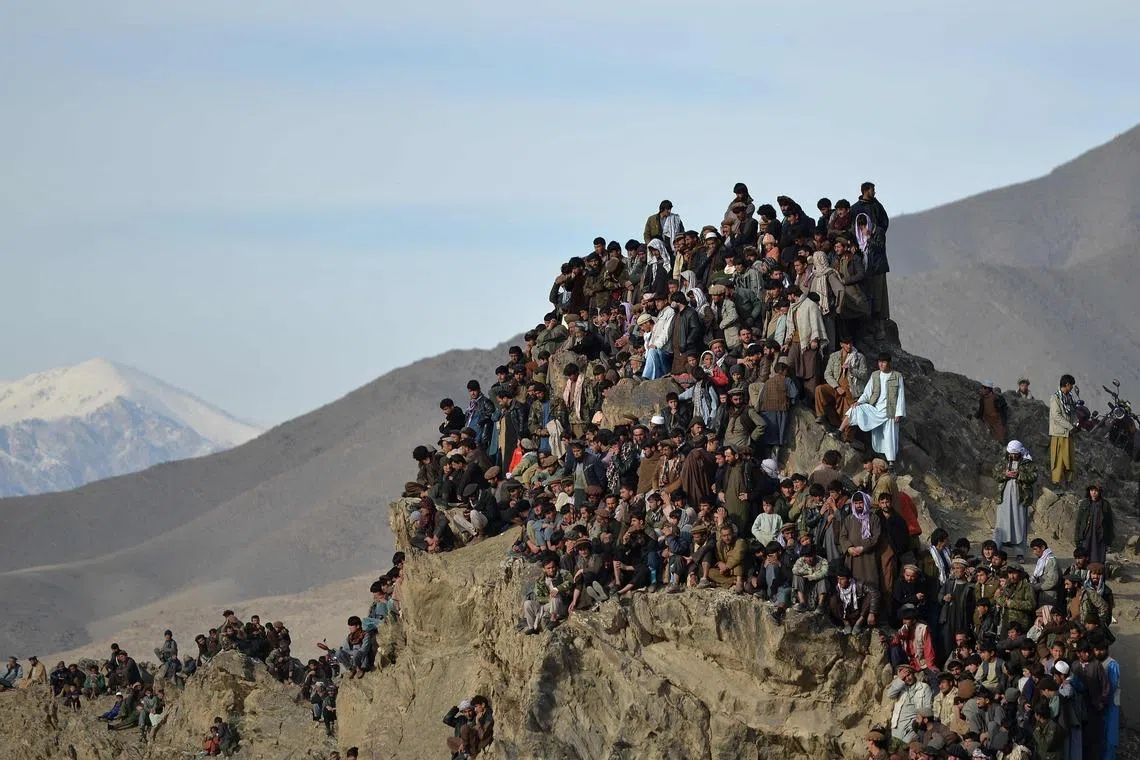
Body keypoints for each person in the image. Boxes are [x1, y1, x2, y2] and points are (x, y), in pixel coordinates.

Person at [841, 352, 906, 467]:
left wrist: (899, 413)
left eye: (884, 362)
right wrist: (859, 402)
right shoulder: (875, 375)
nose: (881, 364)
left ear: (889, 363)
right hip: (875, 408)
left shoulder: (897, 376)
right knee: (855, 409)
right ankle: (839, 431)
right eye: (879, 362)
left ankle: (891, 462)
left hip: (890, 411)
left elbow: (901, 396)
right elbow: (867, 392)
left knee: (889, 435)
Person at [814, 335, 868, 434]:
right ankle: (820, 415)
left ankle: (847, 438)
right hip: (836, 387)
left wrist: (851, 370)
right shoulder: (834, 356)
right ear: (841, 344)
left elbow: (864, 375)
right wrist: (837, 387)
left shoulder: (859, 357)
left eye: (850, 343)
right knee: (819, 389)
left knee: (851, 412)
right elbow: (827, 374)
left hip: (851, 390)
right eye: (846, 343)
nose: (849, 346)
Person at [993, 441, 1036, 562]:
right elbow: (995, 474)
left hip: (1020, 497)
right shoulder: (1003, 461)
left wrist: (1019, 475)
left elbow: (1033, 476)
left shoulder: (1027, 462)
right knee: (1001, 523)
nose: (1013, 456)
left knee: (1019, 523)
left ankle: (1020, 553)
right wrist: (1005, 474)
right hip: (1004, 496)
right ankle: (997, 549)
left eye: (1015, 453)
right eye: (1011, 453)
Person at [523, 555, 572, 635]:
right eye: (548, 568)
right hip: (547, 606)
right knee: (527, 603)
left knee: (555, 595)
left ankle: (554, 619)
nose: (551, 570)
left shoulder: (563, 574)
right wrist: (547, 599)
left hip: (562, 603)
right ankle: (532, 628)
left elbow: (570, 582)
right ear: (544, 569)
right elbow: (538, 597)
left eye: (553, 567)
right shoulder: (541, 580)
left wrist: (558, 589)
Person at [888, 663, 932, 744]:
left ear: (913, 673)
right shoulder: (901, 688)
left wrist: (920, 719)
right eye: (904, 677)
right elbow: (890, 695)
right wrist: (900, 679)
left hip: (912, 728)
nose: (907, 678)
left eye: (909, 675)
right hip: (897, 728)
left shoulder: (924, 687)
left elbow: (928, 708)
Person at [1048, 374, 1078, 490]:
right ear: (1067, 385)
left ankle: (1068, 484)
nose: (1072, 388)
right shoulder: (1055, 398)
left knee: (1069, 460)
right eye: (1071, 386)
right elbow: (1056, 416)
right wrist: (1070, 427)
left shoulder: (1069, 398)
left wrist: (1075, 424)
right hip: (1058, 434)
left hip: (1068, 434)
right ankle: (1056, 484)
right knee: (1058, 460)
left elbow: (1072, 413)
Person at [1074, 482, 1115, 565]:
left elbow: (1109, 524)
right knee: (1084, 557)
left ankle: (1097, 576)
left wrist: (1109, 540)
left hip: (1100, 537)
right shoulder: (1084, 503)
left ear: (1099, 492)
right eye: (1092, 490)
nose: (1093, 492)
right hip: (1086, 536)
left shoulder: (1105, 505)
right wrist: (1077, 538)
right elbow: (1079, 522)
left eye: (1096, 490)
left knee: (1098, 559)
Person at [1028, 538, 1062, 609]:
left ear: (1043, 548)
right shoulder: (1042, 560)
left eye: (1035, 549)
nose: (1034, 552)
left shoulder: (1050, 560)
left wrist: (1037, 587)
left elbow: (1052, 581)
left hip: (1049, 595)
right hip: (1043, 592)